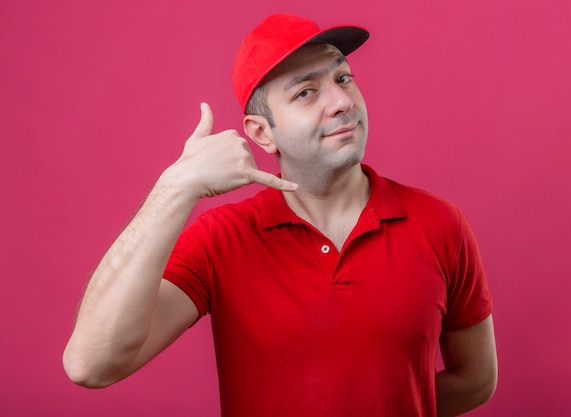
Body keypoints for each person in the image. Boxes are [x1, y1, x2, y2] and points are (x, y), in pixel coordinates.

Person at [63, 13, 497, 417]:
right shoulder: (221, 240)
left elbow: (476, 378)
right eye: (306, 92)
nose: (342, 101)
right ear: (261, 133)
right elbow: (90, 364)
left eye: (343, 77)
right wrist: (173, 188)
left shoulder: (440, 224)